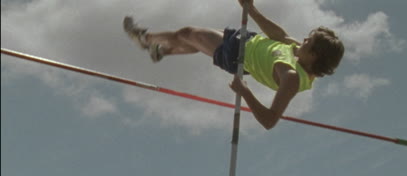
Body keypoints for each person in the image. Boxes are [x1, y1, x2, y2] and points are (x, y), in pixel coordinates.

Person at [123, 0, 344, 130]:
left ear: (315, 56)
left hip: (236, 55)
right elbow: (279, 35)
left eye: (309, 42)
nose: (303, 40)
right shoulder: (299, 53)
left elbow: (270, 120)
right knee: (194, 41)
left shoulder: (291, 77)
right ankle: (160, 51)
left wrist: (245, 92)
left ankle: (145, 39)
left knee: (187, 33)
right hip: (245, 39)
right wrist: (251, 9)